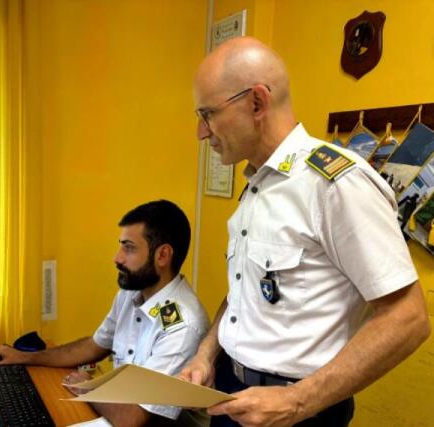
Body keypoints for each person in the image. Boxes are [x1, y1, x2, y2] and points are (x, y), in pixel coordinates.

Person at [180, 36, 431, 427]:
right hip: (232, 393)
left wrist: (297, 402)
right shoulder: (257, 185)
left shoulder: (334, 183)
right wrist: (206, 353)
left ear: (257, 102)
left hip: (299, 413)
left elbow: (408, 317)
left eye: (207, 114)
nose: (201, 131)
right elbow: (245, 291)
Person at [0, 199, 210, 426]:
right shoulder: (132, 293)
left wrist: (89, 387)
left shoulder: (182, 325)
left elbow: (131, 418)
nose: (117, 258)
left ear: (162, 256)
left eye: (129, 248)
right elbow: (94, 346)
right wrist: (23, 358)